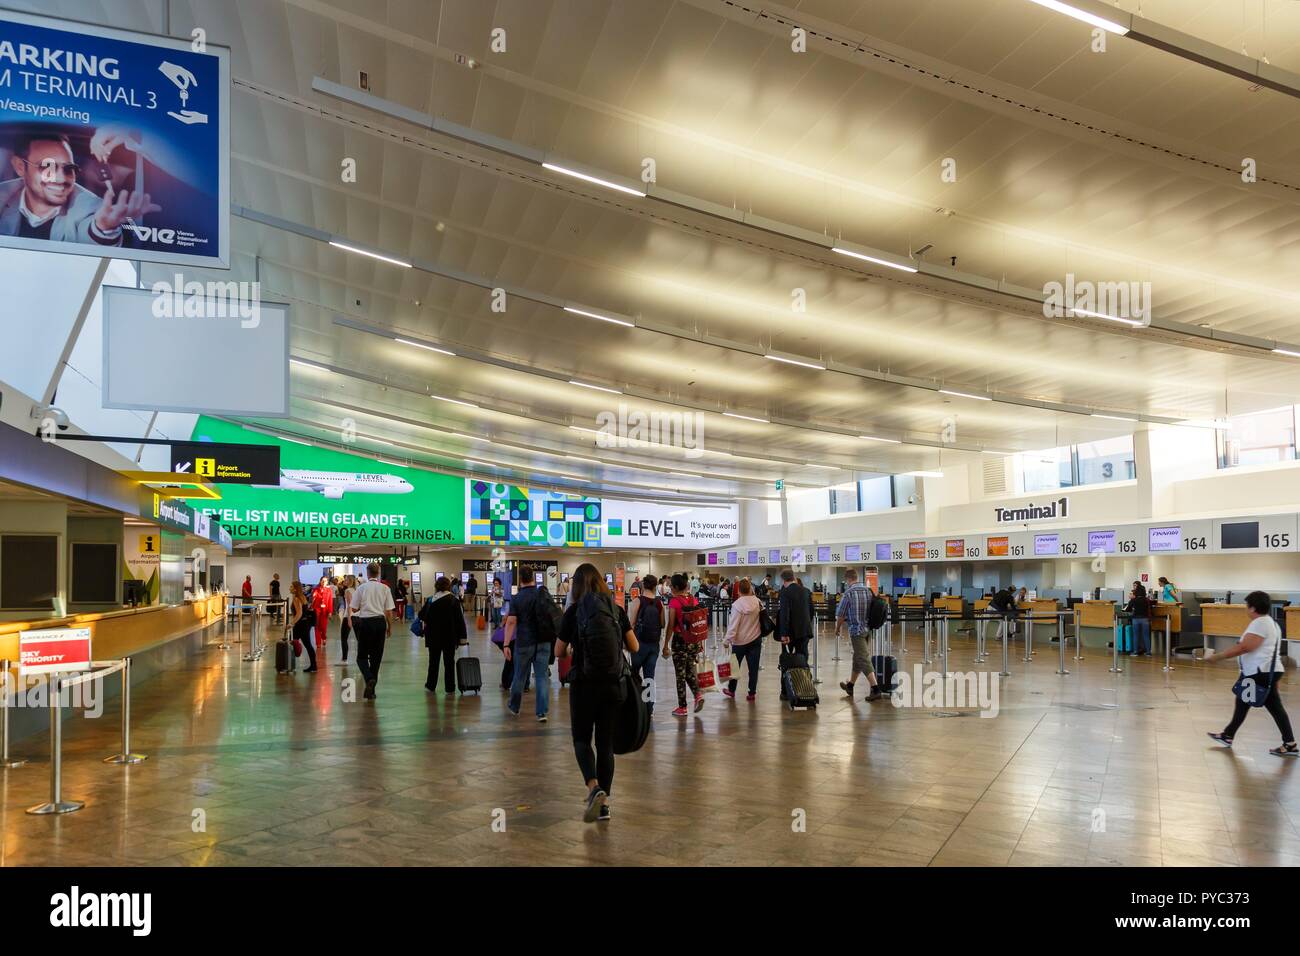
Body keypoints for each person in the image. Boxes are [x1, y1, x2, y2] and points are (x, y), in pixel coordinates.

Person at [555, 563, 638, 823]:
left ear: (577, 585)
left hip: (583, 684)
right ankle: (605, 806)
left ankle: (593, 787)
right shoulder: (616, 609)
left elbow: (558, 651)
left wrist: (572, 649)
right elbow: (633, 646)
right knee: (605, 745)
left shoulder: (573, 612)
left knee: (581, 739)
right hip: (613, 685)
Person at [0, 131, 160, 245]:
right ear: (20, 167)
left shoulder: (89, 205)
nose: (61, 178)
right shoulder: (3, 196)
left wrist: (103, 227)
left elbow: (91, 235)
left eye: (69, 168)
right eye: (48, 167)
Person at [1206, 590, 1296, 757]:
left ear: (1253, 608)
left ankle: (1289, 743)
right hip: (1266, 670)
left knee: (1260, 705)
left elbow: (1246, 647)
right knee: (1249, 703)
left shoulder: (1260, 623)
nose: (1246, 610)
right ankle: (1229, 735)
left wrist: (1218, 657)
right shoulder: (1271, 623)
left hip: (1259, 671)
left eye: (1247, 606)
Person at [504, 564, 552, 722]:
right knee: (541, 677)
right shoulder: (543, 594)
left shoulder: (517, 598)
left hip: (524, 642)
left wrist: (506, 644)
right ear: (533, 577)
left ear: (520, 580)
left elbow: (511, 622)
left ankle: (514, 706)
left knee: (519, 676)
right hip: (544, 642)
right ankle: (542, 712)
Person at [834, 569, 882, 702]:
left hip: (856, 631)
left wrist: (837, 628)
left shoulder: (848, 593)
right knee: (858, 658)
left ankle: (875, 688)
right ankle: (850, 686)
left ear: (848, 579)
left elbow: (841, 614)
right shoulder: (868, 590)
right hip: (867, 629)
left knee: (863, 658)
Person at [349, 563, 395, 700]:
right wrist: (389, 627)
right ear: (378, 573)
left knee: (362, 657)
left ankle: (369, 678)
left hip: (366, 623)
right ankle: (371, 692)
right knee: (376, 658)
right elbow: (388, 611)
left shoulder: (362, 588)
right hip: (380, 623)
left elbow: (354, 609)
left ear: (368, 573)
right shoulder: (385, 588)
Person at [664, 573, 705, 717]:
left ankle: (682, 707)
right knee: (689, 670)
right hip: (693, 640)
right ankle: (698, 695)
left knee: (680, 674)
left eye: (670, 585)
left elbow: (671, 624)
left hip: (680, 640)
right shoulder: (693, 599)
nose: (669, 587)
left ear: (675, 587)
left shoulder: (675, 602)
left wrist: (665, 645)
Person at [419, 576, 466, 693]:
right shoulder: (453, 600)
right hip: (449, 637)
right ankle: (450, 687)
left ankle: (431, 685)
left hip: (433, 636)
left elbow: (421, 615)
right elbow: (459, 620)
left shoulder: (430, 600)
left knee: (433, 662)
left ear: (436, 586)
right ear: (449, 586)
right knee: (449, 662)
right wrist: (462, 637)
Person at [628, 575, 664, 715]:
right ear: (655, 586)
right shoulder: (659, 603)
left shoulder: (637, 601)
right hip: (653, 645)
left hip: (638, 644)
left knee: (634, 675)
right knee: (650, 677)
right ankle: (649, 708)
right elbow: (663, 624)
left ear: (643, 586)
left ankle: (635, 704)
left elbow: (631, 624)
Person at [723, 578, 762, 701]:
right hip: (755, 639)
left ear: (739, 590)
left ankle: (732, 690)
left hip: (739, 642)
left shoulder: (737, 605)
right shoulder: (758, 602)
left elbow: (733, 625)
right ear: (750, 589)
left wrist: (727, 640)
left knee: (735, 667)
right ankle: (752, 693)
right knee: (753, 668)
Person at [777, 569, 812, 659]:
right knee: (803, 657)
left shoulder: (785, 592)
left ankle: (792, 673)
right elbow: (811, 610)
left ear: (783, 580)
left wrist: (784, 634)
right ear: (793, 578)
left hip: (791, 632)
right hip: (805, 630)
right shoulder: (806, 591)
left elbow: (784, 614)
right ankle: (803, 672)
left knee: (789, 659)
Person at [288, 580, 317, 673]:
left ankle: (290, 665)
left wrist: (291, 623)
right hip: (305, 624)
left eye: (291, 587)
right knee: (308, 645)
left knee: (291, 644)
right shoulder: (303, 597)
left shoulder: (297, 599)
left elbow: (299, 613)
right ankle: (313, 666)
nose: (290, 588)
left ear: (296, 589)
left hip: (300, 625)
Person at [1125, 582, 1151, 656]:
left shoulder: (1134, 600)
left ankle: (1135, 652)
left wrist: (1131, 600)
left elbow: (1128, 609)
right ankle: (1148, 652)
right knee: (1146, 636)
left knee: (1136, 636)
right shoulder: (1146, 600)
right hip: (1145, 619)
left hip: (1136, 619)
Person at [337, 575, 356, 665]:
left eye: (346, 579)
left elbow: (349, 606)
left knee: (344, 638)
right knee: (360, 638)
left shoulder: (348, 591)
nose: (344, 580)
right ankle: (365, 657)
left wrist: (349, 619)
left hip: (348, 616)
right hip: (356, 616)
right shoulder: (356, 590)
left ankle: (344, 660)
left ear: (350, 581)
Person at [312, 575, 334, 649]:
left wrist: (330, 612)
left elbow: (330, 601)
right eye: (322, 580)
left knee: (323, 627)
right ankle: (318, 643)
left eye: (325, 581)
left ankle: (324, 637)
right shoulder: (316, 589)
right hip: (317, 610)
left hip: (325, 611)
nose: (324, 582)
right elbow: (313, 599)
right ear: (320, 581)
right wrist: (314, 595)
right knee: (317, 627)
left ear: (327, 582)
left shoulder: (329, 590)